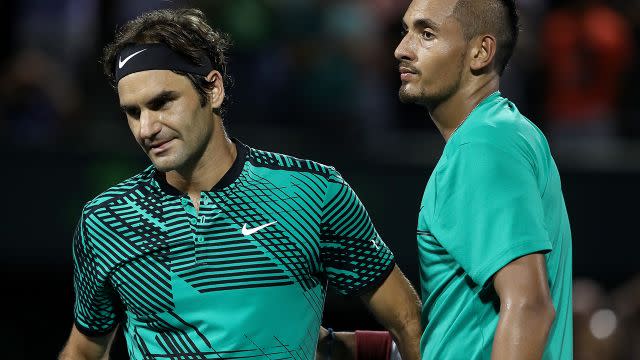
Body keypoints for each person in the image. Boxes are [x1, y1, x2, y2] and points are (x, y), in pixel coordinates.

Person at [58, 8, 422, 360]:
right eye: (133, 112)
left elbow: (407, 319)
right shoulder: (105, 221)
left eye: (162, 102)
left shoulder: (315, 192)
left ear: (212, 90)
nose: (146, 128)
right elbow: (84, 351)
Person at [393, 0, 573, 358]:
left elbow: (530, 308)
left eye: (426, 34)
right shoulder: (505, 133)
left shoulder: (483, 143)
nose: (402, 49)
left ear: (480, 52)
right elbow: (463, 330)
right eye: (406, 31)